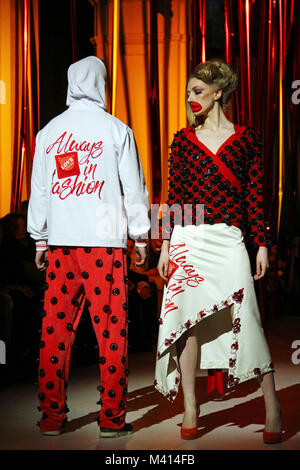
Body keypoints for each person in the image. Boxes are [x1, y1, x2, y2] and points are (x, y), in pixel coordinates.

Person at [155, 59, 282, 444]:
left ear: (218, 93)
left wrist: (261, 242)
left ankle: (272, 405)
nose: (190, 99)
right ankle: (191, 407)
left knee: (249, 318)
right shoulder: (182, 141)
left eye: (197, 91)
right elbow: (173, 198)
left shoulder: (246, 139)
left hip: (229, 241)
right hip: (189, 241)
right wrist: (165, 245)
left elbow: (255, 196)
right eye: (188, 92)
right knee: (188, 324)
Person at [27, 56, 150, 437]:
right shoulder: (116, 130)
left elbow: (41, 191)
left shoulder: (49, 132)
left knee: (55, 330)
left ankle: (51, 417)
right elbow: (134, 187)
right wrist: (141, 234)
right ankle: (111, 420)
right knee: (111, 332)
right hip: (104, 246)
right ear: (102, 83)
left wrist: (40, 238)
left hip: (63, 245)